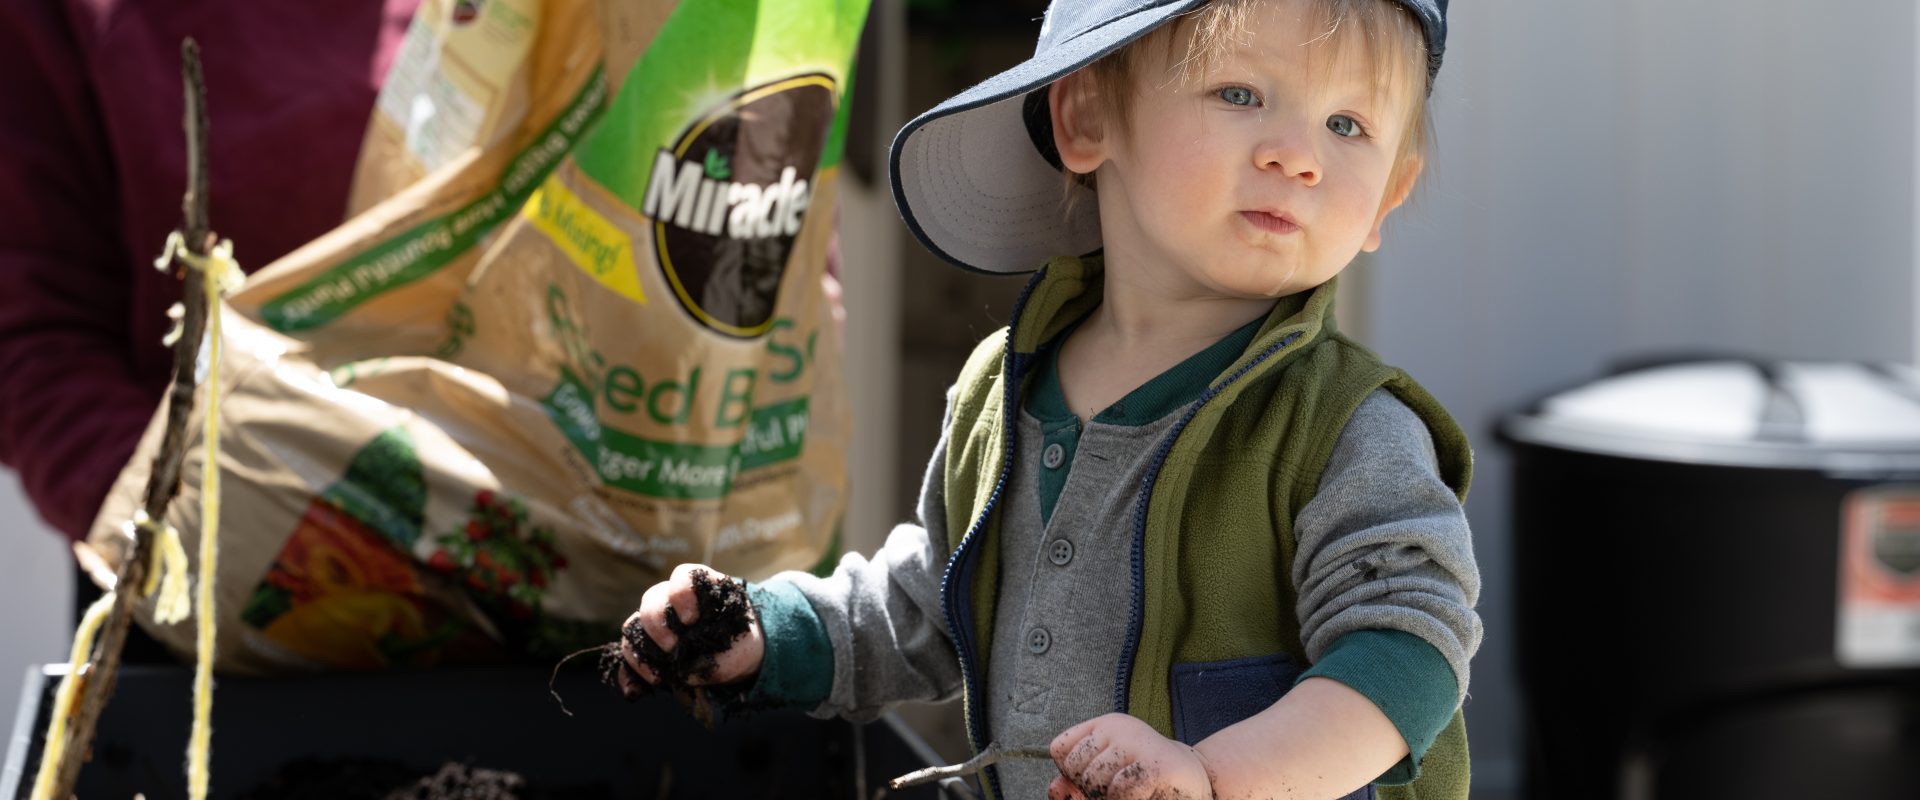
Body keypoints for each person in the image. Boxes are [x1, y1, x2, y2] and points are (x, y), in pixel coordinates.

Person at [621, 1, 1480, 798]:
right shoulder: (1006, 388)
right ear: (1088, 118)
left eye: (1348, 124)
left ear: (1387, 196)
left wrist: (1216, 776)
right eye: (1241, 92)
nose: (1299, 153)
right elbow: (928, 605)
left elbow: (1409, 651)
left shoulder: (1344, 428)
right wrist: (765, 637)